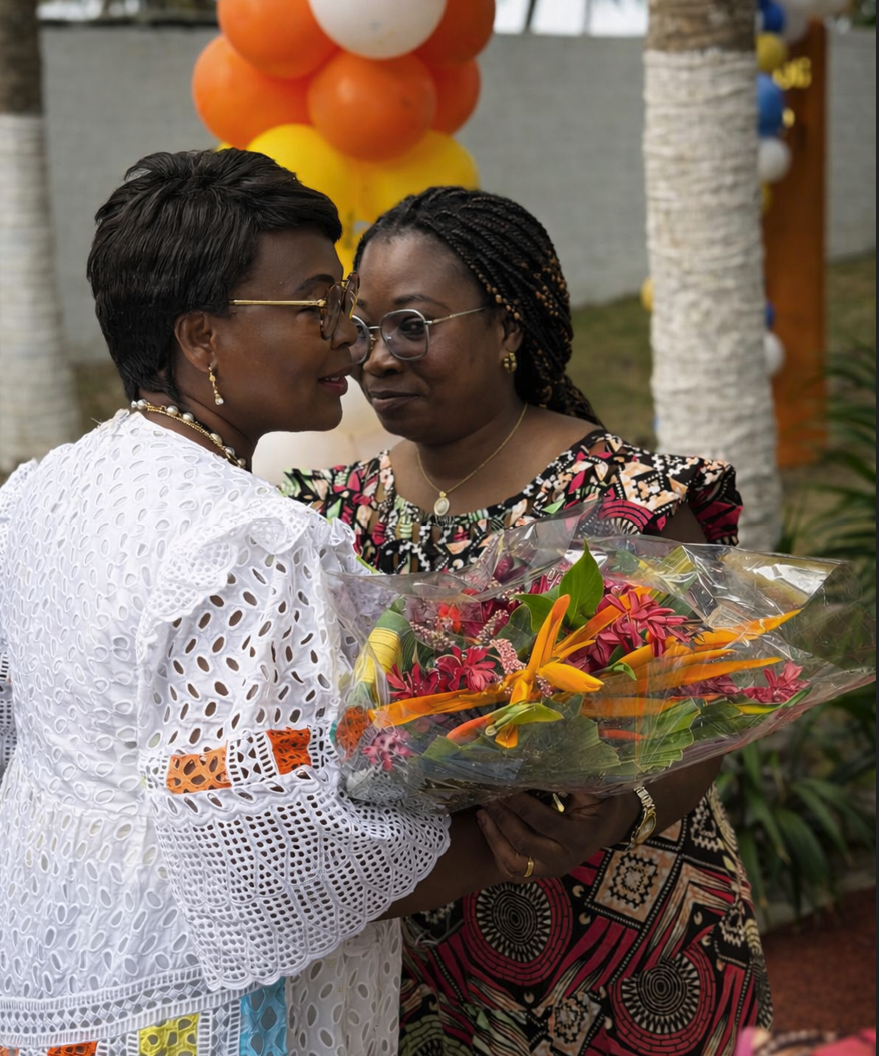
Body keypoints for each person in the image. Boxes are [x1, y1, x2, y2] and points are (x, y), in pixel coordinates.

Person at [0, 152, 628, 1056]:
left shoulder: (40, 489)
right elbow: (260, 847)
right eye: (317, 307)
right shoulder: (250, 537)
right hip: (195, 999)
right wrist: (509, 844)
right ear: (200, 338)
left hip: (51, 958)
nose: (351, 341)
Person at [282, 186, 774, 1055]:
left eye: (413, 324)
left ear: (506, 328)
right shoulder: (340, 511)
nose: (377, 358)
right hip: (426, 960)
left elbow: (712, 719)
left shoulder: (621, 502)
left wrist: (619, 815)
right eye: (366, 326)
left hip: (625, 939)